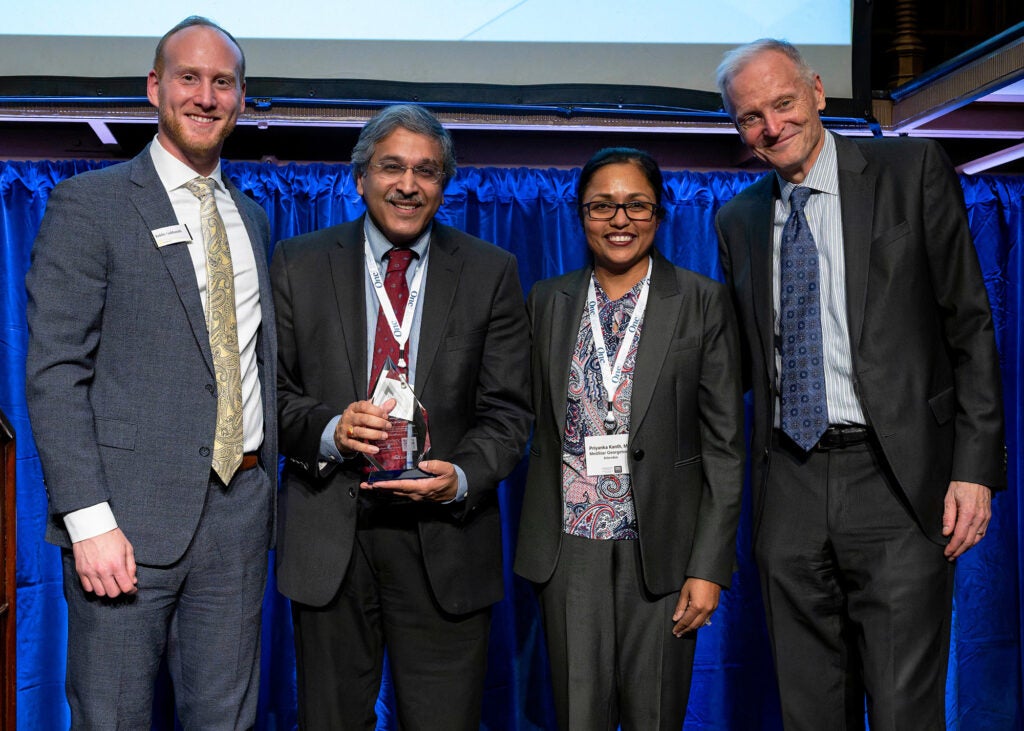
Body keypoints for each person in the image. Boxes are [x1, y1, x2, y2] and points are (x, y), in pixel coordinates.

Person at [714, 39, 1006, 730]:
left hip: (898, 479)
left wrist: (975, 469)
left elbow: (970, 324)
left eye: (782, 103)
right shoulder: (738, 220)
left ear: (816, 91)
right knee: (808, 707)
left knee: (906, 707)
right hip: (789, 479)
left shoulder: (912, 171)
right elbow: (741, 365)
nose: (772, 127)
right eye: (751, 117)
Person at [25, 16, 276, 729]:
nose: (206, 96)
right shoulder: (91, 205)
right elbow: (54, 372)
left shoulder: (251, 217)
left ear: (240, 97)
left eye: (222, 82)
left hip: (239, 512)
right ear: (154, 89)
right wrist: (87, 519)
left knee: (226, 720)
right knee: (113, 716)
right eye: (188, 78)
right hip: (124, 525)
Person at [271, 103, 532, 730]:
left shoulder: (491, 271)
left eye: (427, 171)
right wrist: (331, 430)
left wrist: (463, 476)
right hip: (331, 534)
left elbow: (508, 412)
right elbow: (270, 397)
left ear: (444, 184)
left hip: (444, 536)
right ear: (360, 178)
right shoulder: (297, 263)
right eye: (391, 167)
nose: (408, 185)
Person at [514, 147, 744, 730]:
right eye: (602, 207)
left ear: (659, 213)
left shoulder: (702, 302)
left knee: (656, 717)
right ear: (581, 216)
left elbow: (723, 447)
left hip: (664, 553)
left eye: (635, 205)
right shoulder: (547, 300)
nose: (619, 220)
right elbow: (519, 414)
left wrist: (710, 566)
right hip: (570, 548)